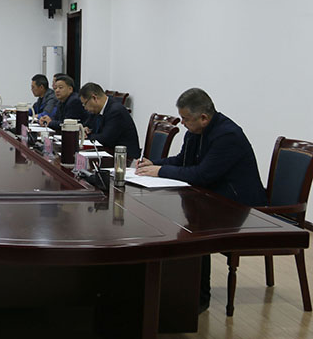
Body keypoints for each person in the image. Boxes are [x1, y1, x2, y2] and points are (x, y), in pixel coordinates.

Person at [136, 87, 268, 313]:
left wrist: (160, 171)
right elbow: (182, 160)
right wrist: (154, 164)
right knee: (176, 219)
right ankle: (167, 289)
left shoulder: (227, 135)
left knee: (195, 228)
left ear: (204, 118)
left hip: (241, 208)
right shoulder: (195, 131)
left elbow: (202, 175)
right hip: (212, 197)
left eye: (186, 119)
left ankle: (196, 299)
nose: (182, 124)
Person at [78, 82, 141, 159]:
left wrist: (86, 136)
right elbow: (87, 125)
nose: (85, 108)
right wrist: (84, 130)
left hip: (125, 159)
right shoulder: (96, 110)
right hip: (108, 153)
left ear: (94, 98)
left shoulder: (116, 111)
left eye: (85, 104)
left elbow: (105, 139)